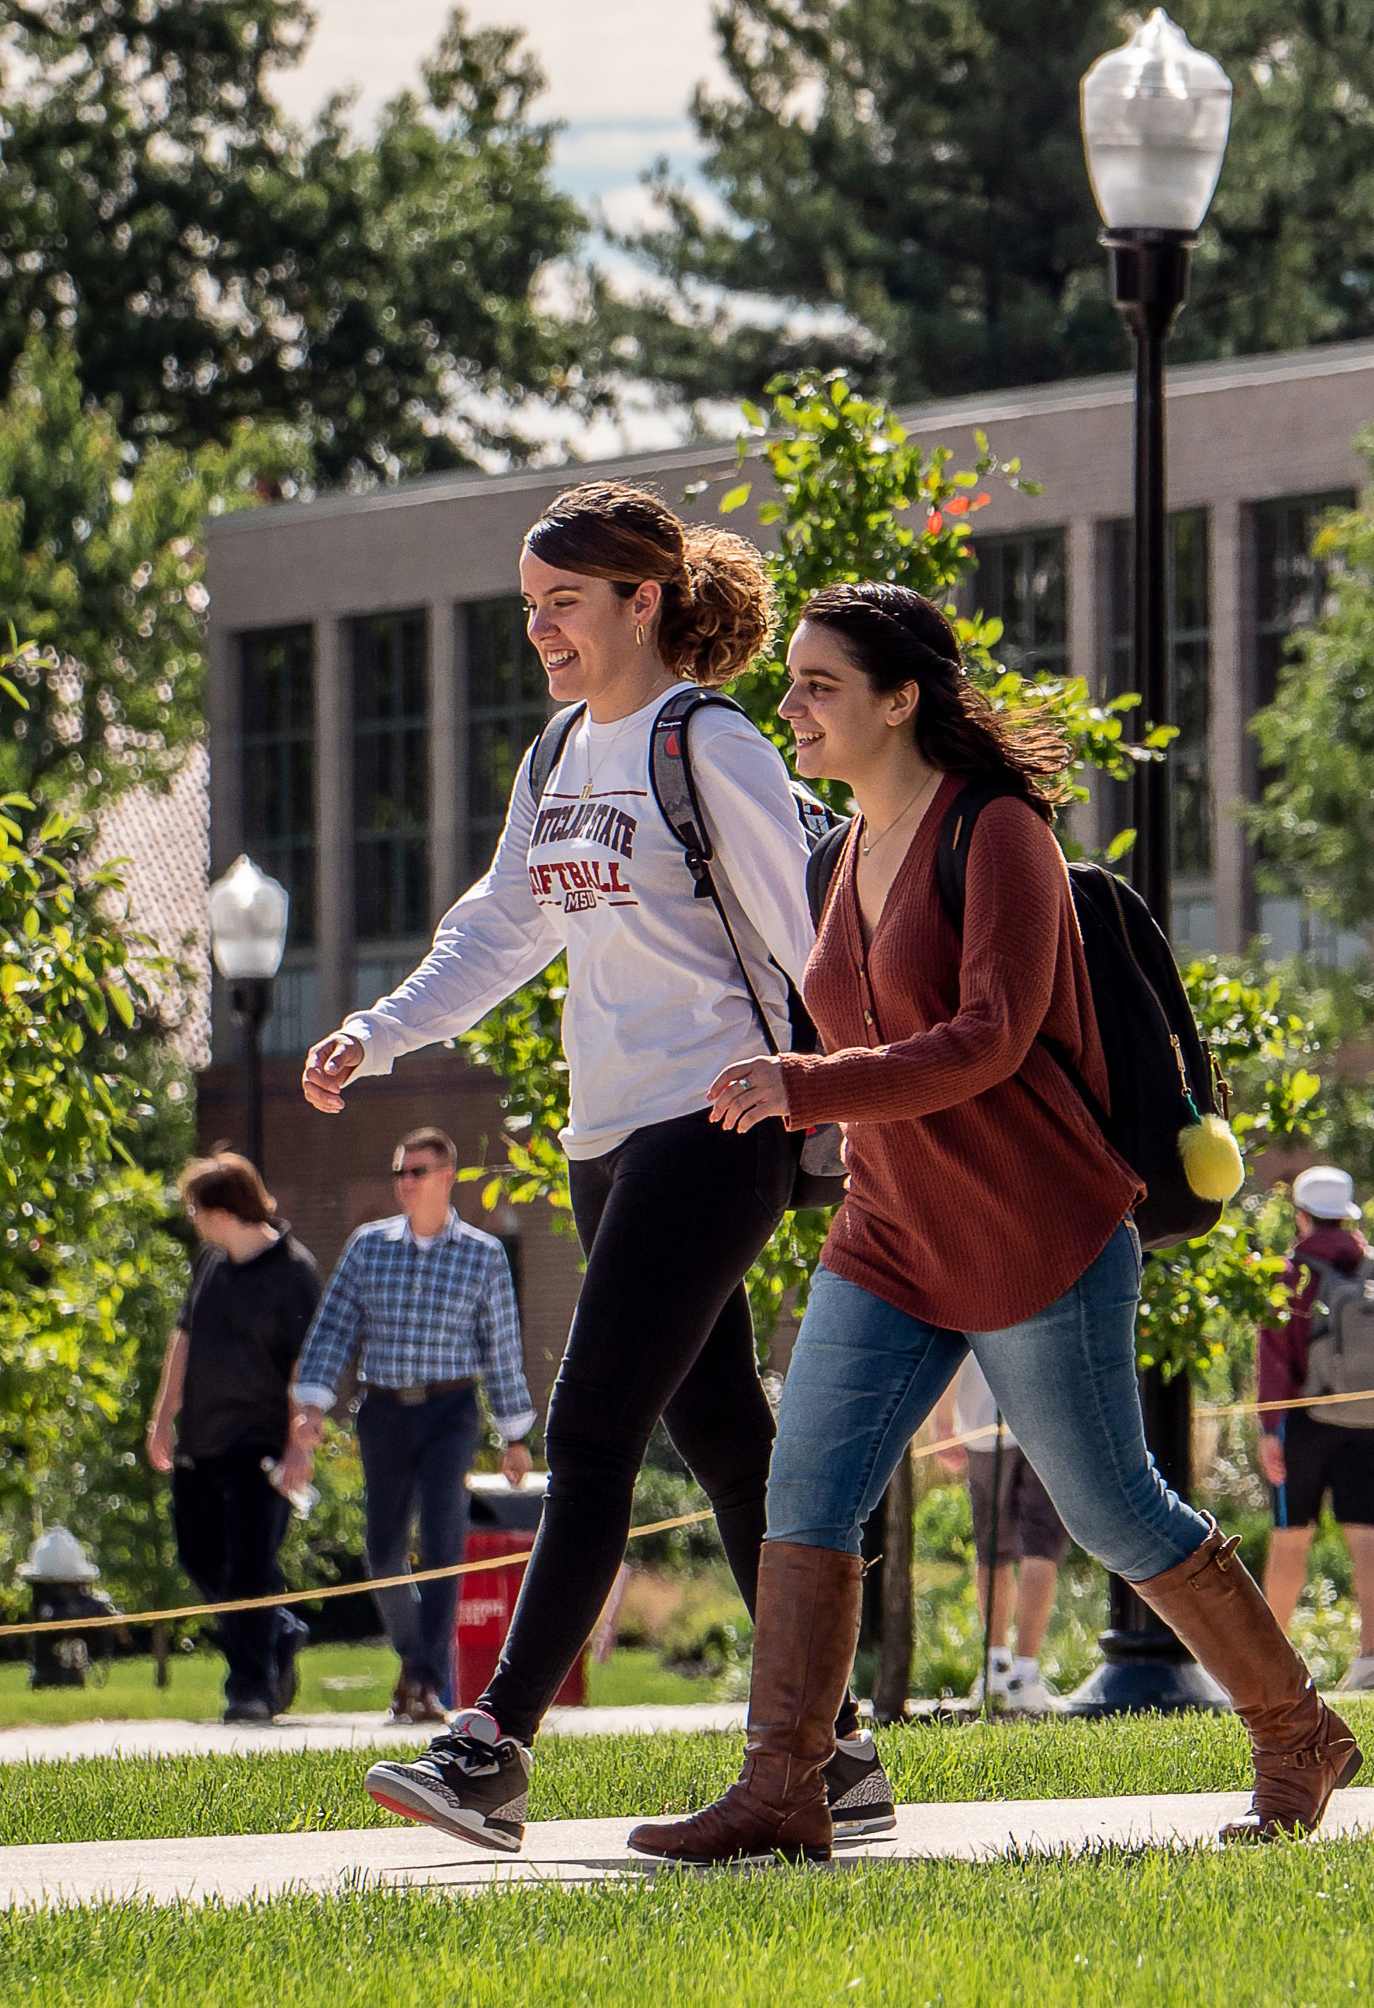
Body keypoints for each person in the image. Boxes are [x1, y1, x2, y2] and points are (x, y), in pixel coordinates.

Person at [640, 580, 1359, 1864]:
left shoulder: (999, 834)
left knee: (1113, 1510)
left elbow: (987, 1039)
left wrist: (806, 1083)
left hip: (1035, 1229)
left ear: (900, 698)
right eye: (791, 682)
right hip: (890, 1231)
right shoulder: (840, 848)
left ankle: (1297, 1731)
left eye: (818, 686)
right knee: (803, 1492)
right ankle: (784, 1785)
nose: (790, 706)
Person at [335, 481, 893, 1855]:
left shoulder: (710, 744)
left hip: (718, 1125)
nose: (543, 631)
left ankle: (493, 1745)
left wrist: (866, 1098)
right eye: (531, 609)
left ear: (644, 601)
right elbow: (503, 922)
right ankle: (842, 1755)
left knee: (590, 1439)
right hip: (607, 1135)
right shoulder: (559, 756)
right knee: (724, 1439)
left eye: (565, 605)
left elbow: (814, 941)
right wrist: (381, 1028)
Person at [281, 1128, 533, 1725]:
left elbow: (500, 1348)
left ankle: (423, 1682)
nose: (404, 1182)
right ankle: (415, 1659)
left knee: (444, 1541)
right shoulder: (368, 1247)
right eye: (399, 1171)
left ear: (445, 1177)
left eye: (416, 1171)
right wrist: (312, 1404)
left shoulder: (483, 1254)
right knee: (383, 1550)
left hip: (451, 1411)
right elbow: (333, 1328)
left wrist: (514, 1436)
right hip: (384, 1410)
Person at [146, 1153, 324, 1724]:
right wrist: (162, 1417)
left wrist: (300, 1444)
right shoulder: (210, 1263)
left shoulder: (293, 1271)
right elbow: (184, 1339)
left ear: (224, 1210)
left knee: (250, 1566)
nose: (193, 1220)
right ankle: (277, 1631)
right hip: (204, 1439)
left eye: (197, 1209)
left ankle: (250, 1689)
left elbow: (305, 1365)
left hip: (260, 1444)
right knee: (200, 1558)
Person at [1255, 1165, 1374, 1691]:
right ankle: (1368, 1660)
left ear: (1300, 1214)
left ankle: (1273, 1666)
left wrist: (1269, 1428)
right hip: (1370, 1418)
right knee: (1365, 1529)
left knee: (1291, 1536)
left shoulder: (1289, 1271)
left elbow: (1275, 1359)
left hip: (1306, 1418)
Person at [934, 1358, 1066, 1714]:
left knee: (993, 1548)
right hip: (1045, 1424)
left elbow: (952, 1353)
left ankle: (996, 1666)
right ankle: (1024, 1674)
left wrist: (943, 1423)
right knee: (1041, 1547)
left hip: (982, 1427)